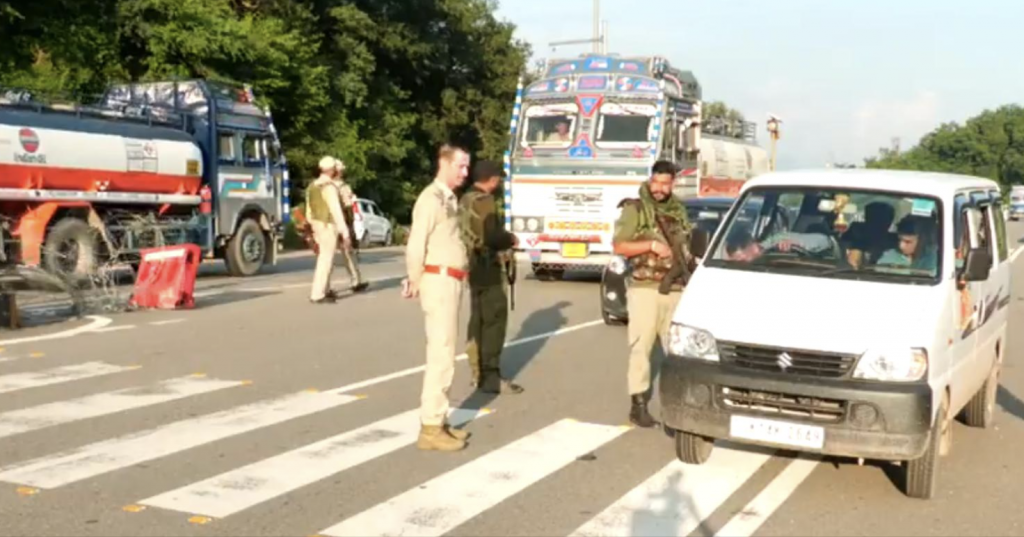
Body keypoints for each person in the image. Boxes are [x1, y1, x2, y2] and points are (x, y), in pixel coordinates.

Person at [612, 160, 693, 427]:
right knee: (641, 349)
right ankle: (638, 407)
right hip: (646, 289)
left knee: (680, 352)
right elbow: (620, 246)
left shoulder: (679, 211)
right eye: (655, 182)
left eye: (665, 183)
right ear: (650, 180)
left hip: (676, 289)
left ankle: (678, 407)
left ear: (673, 183)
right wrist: (651, 245)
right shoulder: (635, 209)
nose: (659, 188)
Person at [402, 144, 472, 451]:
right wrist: (414, 278)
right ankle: (430, 427)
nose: (465, 173)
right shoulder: (430, 199)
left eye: (467, 167)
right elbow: (416, 241)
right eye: (461, 166)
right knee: (441, 353)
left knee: (446, 352)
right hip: (438, 278)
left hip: (451, 279)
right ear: (444, 163)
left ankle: (439, 419)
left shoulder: (449, 199)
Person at [460, 160, 523, 395]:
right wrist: (509, 239)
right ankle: (490, 375)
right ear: (491, 178)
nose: (498, 183)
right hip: (487, 267)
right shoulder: (484, 201)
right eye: (497, 179)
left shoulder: (465, 199)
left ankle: (476, 372)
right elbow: (491, 235)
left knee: (477, 319)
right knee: (493, 320)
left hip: (471, 266)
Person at [306, 156, 352, 304]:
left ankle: (324, 290)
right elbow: (336, 210)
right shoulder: (329, 187)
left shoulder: (313, 186)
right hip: (328, 225)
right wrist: (345, 232)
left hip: (317, 224)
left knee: (324, 258)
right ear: (332, 170)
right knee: (326, 260)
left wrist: (311, 226)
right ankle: (318, 294)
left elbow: (309, 209)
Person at [330, 158, 368, 293]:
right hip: (342, 221)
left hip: (330, 223)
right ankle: (355, 280)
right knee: (348, 252)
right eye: (341, 171)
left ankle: (326, 286)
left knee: (329, 256)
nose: (342, 173)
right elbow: (348, 205)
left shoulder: (324, 186)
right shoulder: (341, 187)